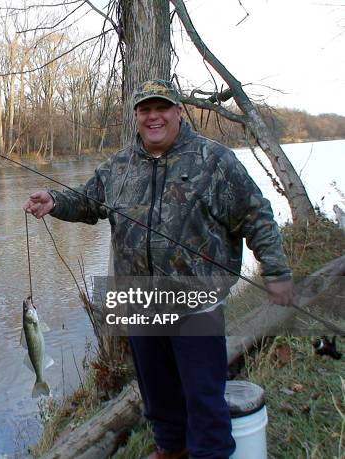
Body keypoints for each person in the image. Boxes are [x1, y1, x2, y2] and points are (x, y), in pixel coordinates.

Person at [23, 79, 294, 459]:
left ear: (177, 112)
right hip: (136, 298)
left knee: (203, 394)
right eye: (145, 110)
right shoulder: (119, 165)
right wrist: (53, 200)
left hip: (195, 299)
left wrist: (276, 271)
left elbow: (256, 215)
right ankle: (171, 447)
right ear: (137, 116)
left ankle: (209, 452)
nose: (153, 116)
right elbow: (87, 203)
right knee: (156, 389)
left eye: (161, 108)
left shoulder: (213, 160)